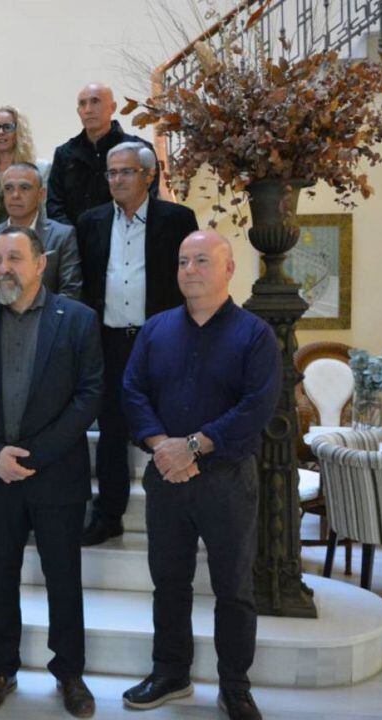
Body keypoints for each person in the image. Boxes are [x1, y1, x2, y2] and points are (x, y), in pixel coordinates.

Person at [121, 230, 279, 720]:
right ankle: (171, 672)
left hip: (227, 480)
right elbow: (132, 392)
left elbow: (257, 407)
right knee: (169, 582)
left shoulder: (255, 334)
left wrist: (191, 445)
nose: (190, 269)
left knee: (234, 588)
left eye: (202, 260)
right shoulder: (156, 330)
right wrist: (161, 447)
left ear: (229, 270)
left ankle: (235, 686)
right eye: (183, 260)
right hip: (166, 478)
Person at [0, 226, 103, 718]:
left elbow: (90, 394)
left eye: (14, 257)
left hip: (56, 475)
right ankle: (0, 669)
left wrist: (35, 455)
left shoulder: (77, 319)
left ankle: (70, 673)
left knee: (63, 578)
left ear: (41, 264)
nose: (4, 268)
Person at [77, 141, 198, 546]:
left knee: (167, 423)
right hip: (109, 339)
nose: (116, 179)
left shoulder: (178, 219)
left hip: (159, 340)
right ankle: (108, 514)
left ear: (148, 175)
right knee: (111, 430)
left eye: (125, 172)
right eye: (111, 173)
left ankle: (178, 511)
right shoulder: (91, 221)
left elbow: (187, 279)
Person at [47, 83, 158, 227]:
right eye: (82, 104)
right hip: (76, 242)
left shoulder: (139, 150)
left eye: (95, 101)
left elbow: (148, 200)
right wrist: (72, 238)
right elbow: (55, 205)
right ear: (78, 111)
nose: (88, 110)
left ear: (112, 107)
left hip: (126, 235)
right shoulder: (64, 153)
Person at [0, 162, 81, 301]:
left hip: (49, 320)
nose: (15, 195)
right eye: (8, 188)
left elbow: (70, 293)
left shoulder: (62, 236)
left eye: (24, 188)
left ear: (41, 194)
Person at [0, 105, 51, 238]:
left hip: (27, 247)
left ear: (18, 131)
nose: (0, 132)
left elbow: (45, 213)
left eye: (7, 127)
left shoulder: (41, 169)